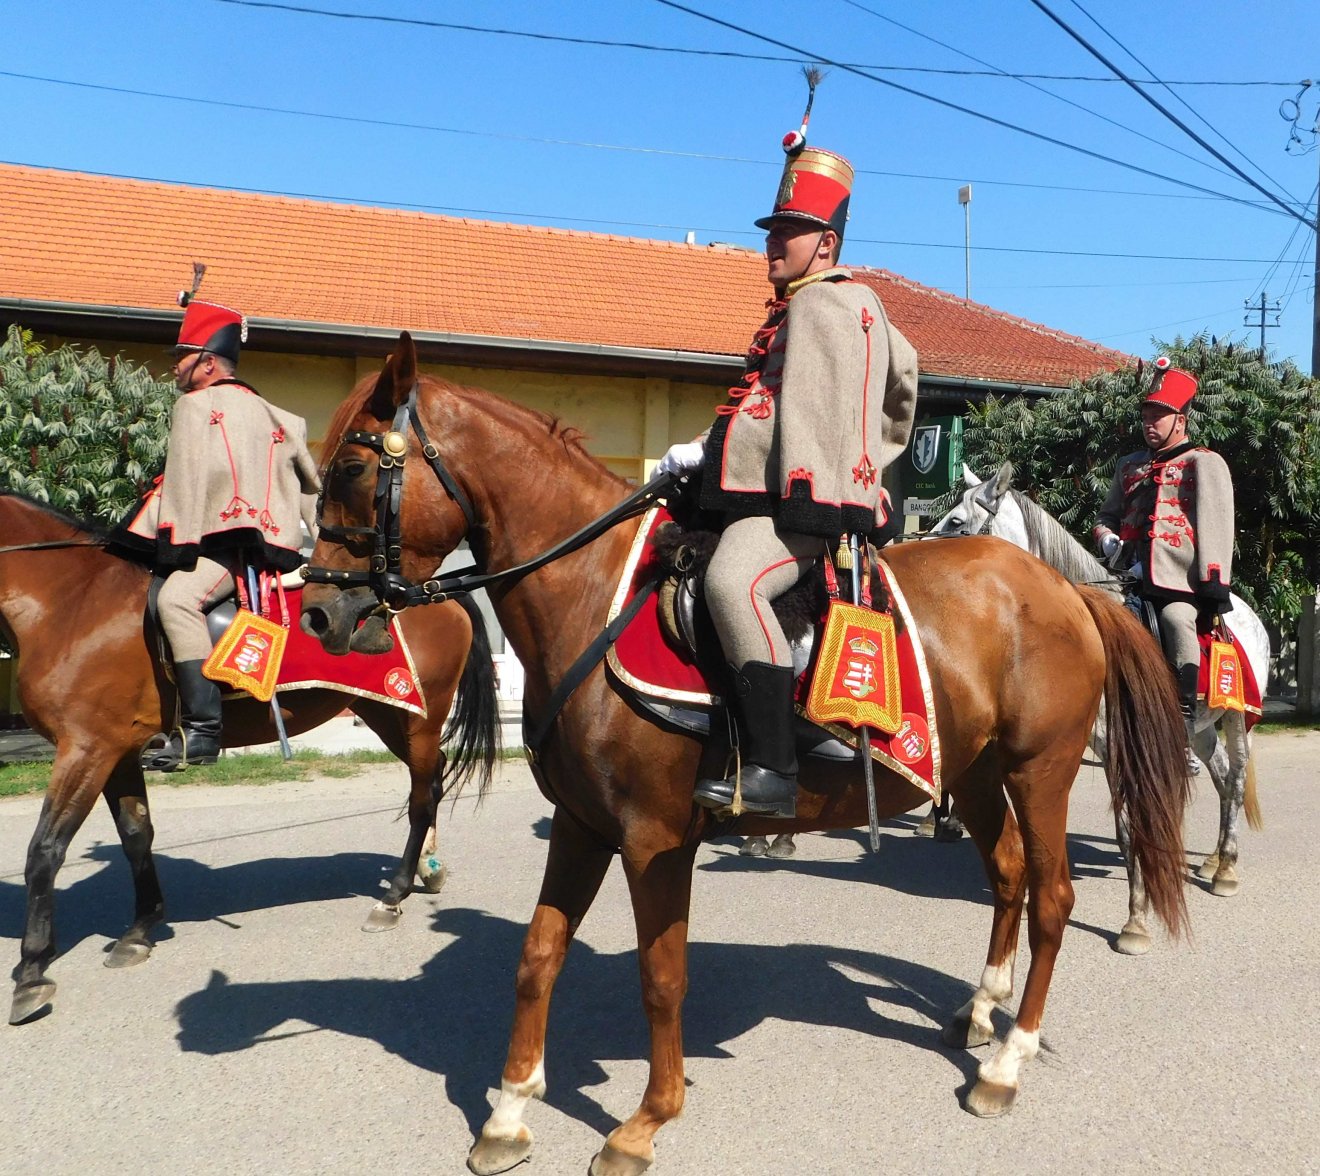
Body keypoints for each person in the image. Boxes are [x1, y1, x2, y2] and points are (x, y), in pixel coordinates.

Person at [657, 81, 918, 818]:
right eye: (772, 228)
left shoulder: (834, 302)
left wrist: (856, 473)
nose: (772, 241)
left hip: (803, 507)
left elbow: (877, 389)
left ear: (826, 244)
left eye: (790, 230)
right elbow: (780, 411)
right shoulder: (799, 308)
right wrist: (702, 461)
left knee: (733, 583)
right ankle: (715, 740)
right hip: (763, 495)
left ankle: (772, 766)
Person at [116, 289, 320, 771]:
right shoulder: (285, 418)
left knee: (175, 599)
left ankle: (202, 732)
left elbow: (184, 484)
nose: (175, 367)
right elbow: (315, 492)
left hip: (219, 551)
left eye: (183, 357)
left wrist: (169, 548)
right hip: (271, 551)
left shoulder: (194, 407)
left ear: (208, 363)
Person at [1093, 358, 1235, 772]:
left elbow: (1216, 522)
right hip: (1126, 576)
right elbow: (1105, 517)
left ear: (1181, 419)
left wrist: (1212, 585)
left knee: (1176, 622)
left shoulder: (1203, 462)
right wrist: (1109, 542)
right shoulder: (1129, 465)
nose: (1149, 423)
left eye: (1159, 415)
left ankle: (1183, 730)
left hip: (1179, 581)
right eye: (1146, 416)